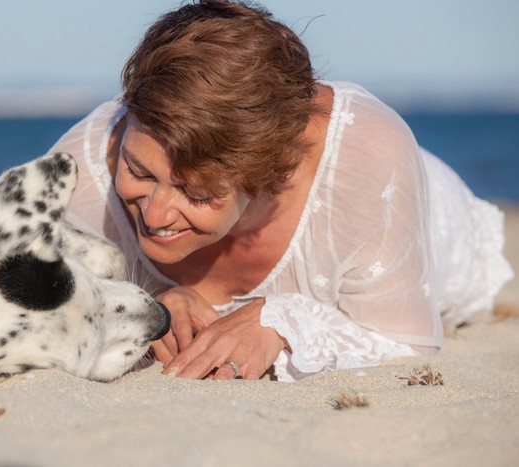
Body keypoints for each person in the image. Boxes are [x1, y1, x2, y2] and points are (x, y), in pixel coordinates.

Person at [48, 0, 514, 382]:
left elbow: (409, 344)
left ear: (269, 175)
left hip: (413, 210)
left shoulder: (366, 159)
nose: (154, 214)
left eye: (197, 193)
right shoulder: (84, 169)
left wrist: (284, 322)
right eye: (140, 171)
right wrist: (147, 298)